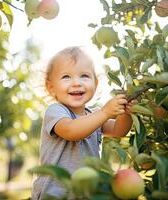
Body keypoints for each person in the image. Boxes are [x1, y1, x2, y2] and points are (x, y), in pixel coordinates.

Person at [31, 46, 134, 199]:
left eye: (84, 76)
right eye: (66, 77)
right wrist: (105, 112)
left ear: (95, 83)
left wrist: (127, 113)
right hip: (55, 194)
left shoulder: (94, 115)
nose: (76, 83)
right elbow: (71, 131)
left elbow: (119, 130)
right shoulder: (55, 111)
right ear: (51, 87)